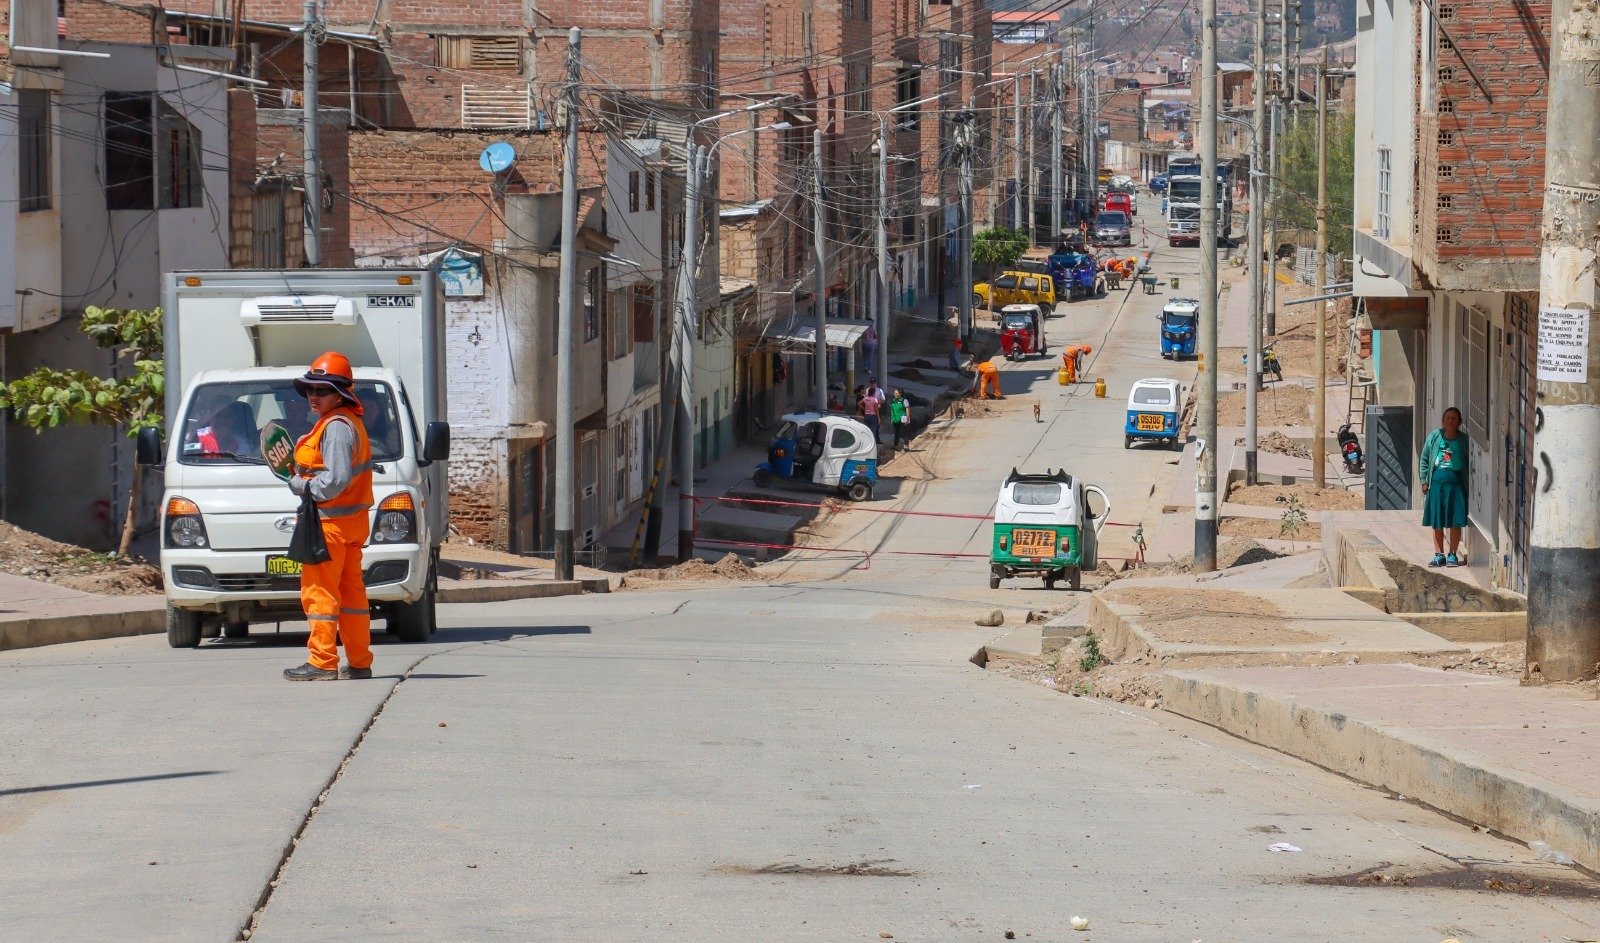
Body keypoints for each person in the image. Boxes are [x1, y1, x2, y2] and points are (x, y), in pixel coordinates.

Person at [282, 351, 376, 681]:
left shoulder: (335, 427)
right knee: (351, 596)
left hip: (331, 525)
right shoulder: (348, 423)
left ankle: (322, 662)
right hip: (349, 524)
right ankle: (360, 661)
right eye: (310, 389)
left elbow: (335, 479)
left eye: (321, 390)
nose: (313, 395)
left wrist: (300, 485)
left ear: (340, 393)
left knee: (320, 593)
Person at [1420, 406, 1470, 567]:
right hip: (1436, 485)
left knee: (1455, 521)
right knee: (1437, 520)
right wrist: (1424, 480)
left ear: (1460, 422)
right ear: (1443, 421)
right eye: (1447, 418)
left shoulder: (1464, 440)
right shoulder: (1435, 436)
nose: (1450, 421)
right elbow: (1425, 458)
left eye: (1454, 418)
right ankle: (1438, 554)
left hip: (1456, 485)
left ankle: (1453, 554)